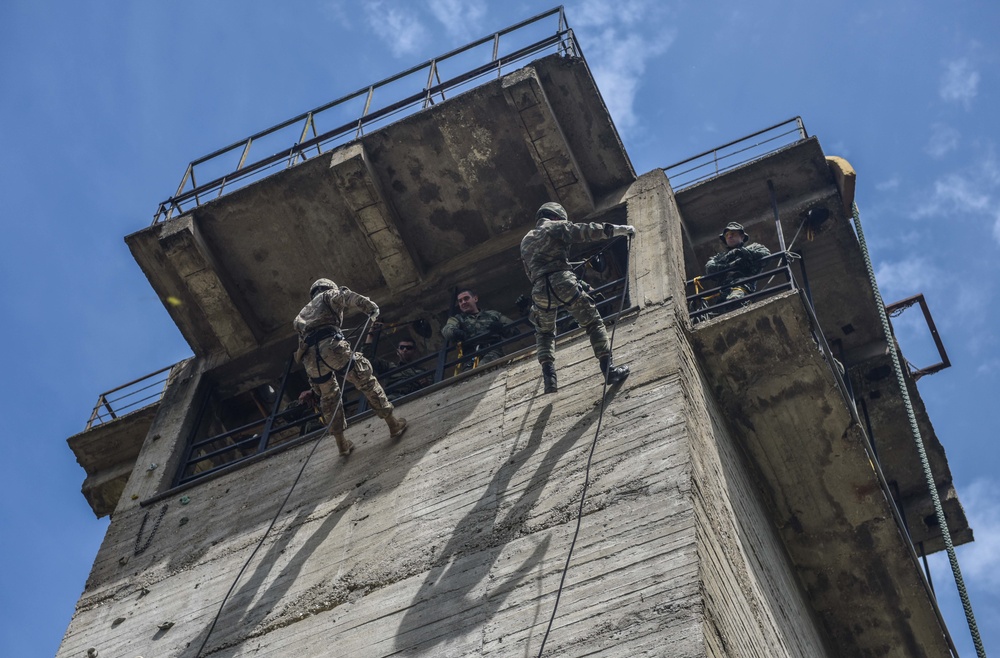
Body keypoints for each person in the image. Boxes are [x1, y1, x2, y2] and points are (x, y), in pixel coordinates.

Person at [520, 202, 634, 394]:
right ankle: (609, 370)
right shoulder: (555, 226)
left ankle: (550, 380)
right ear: (557, 216)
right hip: (563, 283)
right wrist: (620, 230)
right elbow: (584, 231)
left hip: (540, 291)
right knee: (593, 323)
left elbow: (533, 270)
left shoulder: (525, 240)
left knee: (545, 333)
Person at [293, 278, 408, 457]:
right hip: (331, 347)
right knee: (365, 379)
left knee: (329, 398)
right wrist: (371, 308)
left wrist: (314, 386)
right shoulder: (327, 295)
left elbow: (303, 344)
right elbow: (346, 296)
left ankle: (342, 445)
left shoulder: (301, 315)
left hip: (311, 360)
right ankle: (393, 424)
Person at [440, 289, 517, 366]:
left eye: (466, 298)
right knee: (469, 377)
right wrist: (455, 332)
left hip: (493, 351)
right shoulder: (458, 319)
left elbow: (515, 331)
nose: (463, 302)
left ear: (475, 299)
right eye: (460, 301)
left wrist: (501, 327)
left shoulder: (493, 314)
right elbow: (447, 330)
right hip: (470, 358)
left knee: (483, 368)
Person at [704, 221, 771, 306]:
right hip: (723, 292)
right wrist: (729, 264)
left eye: (733, 233)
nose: (729, 236)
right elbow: (709, 268)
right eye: (727, 235)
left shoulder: (753, 248)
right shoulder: (720, 257)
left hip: (742, 288)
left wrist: (742, 253)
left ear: (742, 237)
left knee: (735, 300)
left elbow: (765, 254)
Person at [363, 326, 432, 399]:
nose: (405, 350)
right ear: (397, 352)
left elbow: (432, 388)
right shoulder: (389, 367)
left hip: (415, 398)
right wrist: (371, 334)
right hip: (394, 399)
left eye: (409, 348)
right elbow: (367, 359)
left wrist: (426, 383)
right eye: (402, 347)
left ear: (414, 351)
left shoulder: (422, 371)